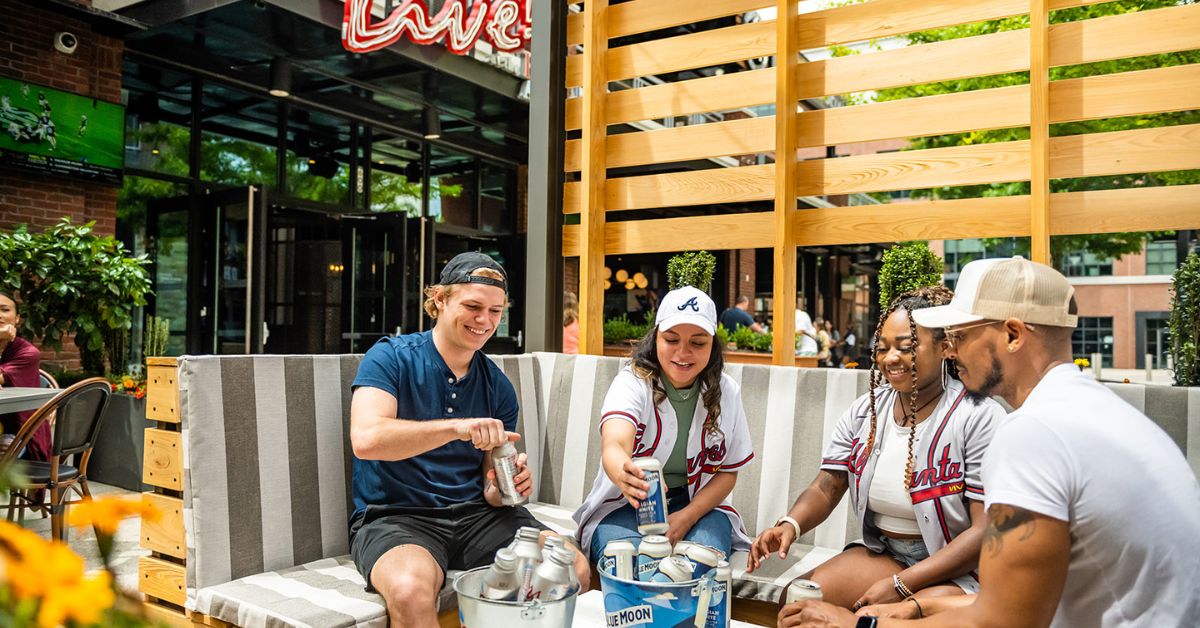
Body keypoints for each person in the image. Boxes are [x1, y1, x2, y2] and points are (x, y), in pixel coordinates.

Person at [782, 257, 1200, 627]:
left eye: (961, 336)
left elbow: (1003, 621)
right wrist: (919, 606)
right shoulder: (1096, 411)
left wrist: (858, 626)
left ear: (1013, 335)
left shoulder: (1033, 433)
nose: (950, 351)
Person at [348, 252, 589, 628]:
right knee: (410, 590)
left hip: (479, 516)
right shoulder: (390, 357)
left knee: (573, 568)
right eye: (473, 307)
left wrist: (506, 485)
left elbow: (491, 490)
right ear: (439, 299)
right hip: (398, 517)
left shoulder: (498, 386)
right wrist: (457, 427)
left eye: (495, 311)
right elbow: (366, 439)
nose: (485, 321)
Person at [749, 286, 1007, 610]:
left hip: (958, 566)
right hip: (889, 554)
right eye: (882, 348)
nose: (891, 358)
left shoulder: (978, 416)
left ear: (945, 347)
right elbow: (827, 486)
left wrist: (901, 585)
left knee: (889, 619)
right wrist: (791, 524)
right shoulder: (865, 412)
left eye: (906, 347)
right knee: (800, 603)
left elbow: (985, 530)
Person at [573, 286, 756, 562]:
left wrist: (688, 515)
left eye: (698, 343)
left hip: (699, 506)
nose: (683, 352)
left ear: (713, 345)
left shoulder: (726, 390)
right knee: (626, 563)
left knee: (700, 562)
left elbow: (728, 472)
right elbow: (614, 444)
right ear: (655, 338)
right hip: (626, 505)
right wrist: (624, 474)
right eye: (671, 339)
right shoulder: (633, 382)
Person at [0, 292, 46, 460]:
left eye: (5, 310)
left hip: (17, 431)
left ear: (17, 318)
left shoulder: (28, 353)